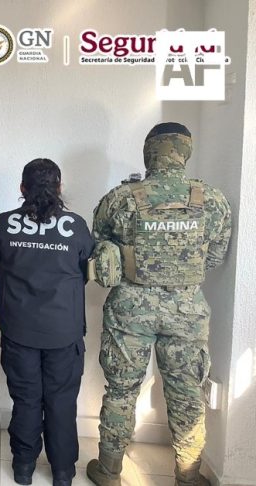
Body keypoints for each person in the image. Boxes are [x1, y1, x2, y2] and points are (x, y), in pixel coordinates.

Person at [86, 123, 232, 486]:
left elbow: (99, 246)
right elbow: (214, 257)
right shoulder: (212, 200)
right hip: (186, 310)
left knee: (121, 391)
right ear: (185, 152)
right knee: (187, 394)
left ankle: (109, 470)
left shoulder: (121, 198)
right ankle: (188, 476)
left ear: (149, 152)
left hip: (130, 308)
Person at [0, 159, 94, 485]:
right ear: (59, 188)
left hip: (19, 330)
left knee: (26, 399)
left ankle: (23, 467)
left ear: (22, 189)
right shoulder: (76, 226)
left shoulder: (4, 224)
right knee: (62, 401)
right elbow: (84, 271)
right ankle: (62, 472)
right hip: (63, 332)